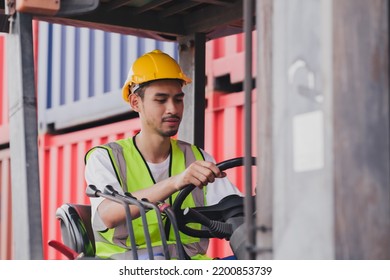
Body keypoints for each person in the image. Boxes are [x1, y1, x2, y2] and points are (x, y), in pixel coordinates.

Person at [85, 49, 242, 260]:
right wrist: (176, 182)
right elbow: (108, 214)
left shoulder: (198, 157)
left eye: (178, 100)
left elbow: (235, 208)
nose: (173, 109)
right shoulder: (106, 158)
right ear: (135, 102)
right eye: (161, 100)